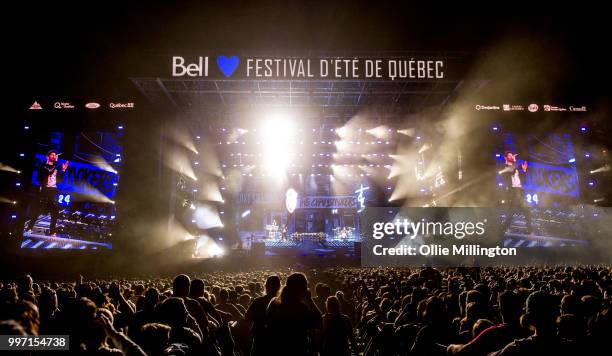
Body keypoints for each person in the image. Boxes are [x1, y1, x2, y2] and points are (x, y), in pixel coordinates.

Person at [265, 272, 323, 356]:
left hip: (275, 349)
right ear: (303, 289)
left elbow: (267, 323)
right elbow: (319, 323)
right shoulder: (301, 308)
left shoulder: (274, 302)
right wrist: (309, 300)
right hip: (297, 350)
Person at [24, 150, 69, 236]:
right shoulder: (43, 165)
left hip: (53, 190)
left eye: (55, 155)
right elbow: (49, 171)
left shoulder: (56, 167)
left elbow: (59, 179)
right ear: (47, 156)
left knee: (55, 211)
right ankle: (29, 227)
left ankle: (52, 231)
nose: (54, 156)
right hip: (44, 190)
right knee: (38, 209)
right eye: (52, 155)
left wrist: (63, 170)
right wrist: (56, 163)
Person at [245, 275, 281, 356]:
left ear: (266, 286)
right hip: (277, 339)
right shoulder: (282, 303)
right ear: (279, 287)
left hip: (260, 337)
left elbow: (247, 317)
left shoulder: (258, 301)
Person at [498, 151, 532, 235]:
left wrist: (524, 170)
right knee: (512, 212)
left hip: (519, 190)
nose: (511, 156)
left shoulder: (515, 167)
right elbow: (512, 171)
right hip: (513, 191)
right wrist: (515, 161)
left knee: (526, 210)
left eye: (511, 155)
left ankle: (530, 230)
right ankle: (502, 229)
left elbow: (522, 180)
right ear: (506, 157)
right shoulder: (505, 167)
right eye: (509, 155)